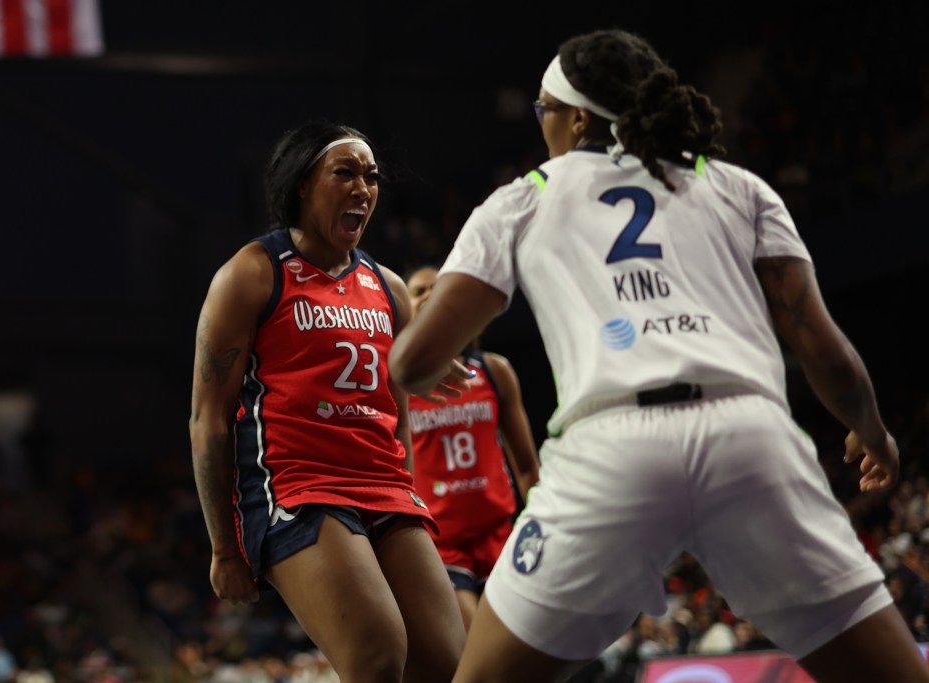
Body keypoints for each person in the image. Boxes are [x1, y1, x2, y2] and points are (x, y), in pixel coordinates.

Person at [388, 28, 929, 683]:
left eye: (544, 111)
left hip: (611, 447)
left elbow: (411, 363)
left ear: (578, 117)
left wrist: (424, 358)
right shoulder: (735, 185)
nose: (542, 128)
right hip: (750, 436)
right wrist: (872, 431)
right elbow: (822, 346)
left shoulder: (524, 195)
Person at [188, 121, 469, 683]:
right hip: (299, 484)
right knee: (378, 654)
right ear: (300, 185)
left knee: (445, 661)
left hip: (386, 487)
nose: (363, 187)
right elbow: (208, 418)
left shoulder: (388, 289)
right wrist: (224, 547)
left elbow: (402, 415)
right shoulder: (251, 273)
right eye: (344, 172)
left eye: (371, 176)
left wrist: (409, 493)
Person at [405, 265, 540, 630]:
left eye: (439, 287)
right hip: (440, 543)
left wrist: (539, 523)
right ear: (403, 307)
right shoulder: (398, 384)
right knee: (480, 641)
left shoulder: (495, 372)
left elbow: (527, 468)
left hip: (500, 536)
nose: (430, 295)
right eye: (419, 291)